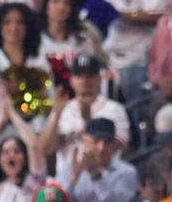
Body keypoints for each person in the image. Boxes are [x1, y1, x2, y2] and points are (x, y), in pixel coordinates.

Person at [50, 0, 164, 107]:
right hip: (111, 52)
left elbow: (159, 14)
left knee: (136, 112)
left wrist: (122, 14)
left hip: (138, 57)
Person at [40, 55, 130, 183]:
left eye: (89, 76)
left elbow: (122, 148)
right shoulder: (63, 109)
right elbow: (44, 150)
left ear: (99, 79)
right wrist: (56, 114)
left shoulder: (114, 110)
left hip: (104, 180)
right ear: (71, 80)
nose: (84, 80)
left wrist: (88, 122)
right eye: (79, 76)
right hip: (68, 179)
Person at [61, 117, 136, 202]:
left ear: (115, 144)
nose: (101, 148)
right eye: (96, 141)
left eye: (107, 142)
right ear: (84, 140)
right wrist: (73, 178)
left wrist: (95, 174)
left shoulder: (126, 172)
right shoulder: (69, 168)